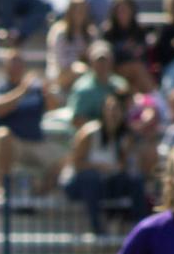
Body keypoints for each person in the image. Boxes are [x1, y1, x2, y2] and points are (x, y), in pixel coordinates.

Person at [62, 94, 145, 236]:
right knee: (91, 178)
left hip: (106, 183)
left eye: (117, 109)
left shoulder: (125, 136)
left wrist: (123, 158)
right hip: (79, 183)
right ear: (103, 111)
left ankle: (140, 228)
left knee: (136, 180)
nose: (113, 113)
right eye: (110, 109)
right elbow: (75, 163)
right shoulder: (89, 132)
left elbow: (123, 167)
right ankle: (97, 228)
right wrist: (99, 167)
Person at [0, 48, 62, 195]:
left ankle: (38, 193)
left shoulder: (36, 89)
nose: (17, 65)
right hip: (10, 145)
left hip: (35, 142)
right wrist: (22, 90)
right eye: (12, 62)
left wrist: (47, 91)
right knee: (3, 135)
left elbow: (54, 107)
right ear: (4, 66)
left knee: (67, 159)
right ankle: (5, 186)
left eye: (19, 62)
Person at [45, 0, 97, 108]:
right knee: (78, 70)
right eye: (76, 10)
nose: (79, 13)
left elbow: (95, 59)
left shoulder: (91, 33)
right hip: (61, 76)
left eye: (82, 10)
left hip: (85, 74)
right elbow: (61, 63)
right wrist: (79, 61)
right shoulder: (59, 32)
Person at [67, 41, 128, 127]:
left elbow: (127, 112)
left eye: (105, 60)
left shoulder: (120, 84)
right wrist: (102, 129)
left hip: (117, 134)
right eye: (99, 61)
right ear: (91, 63)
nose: (102, 64)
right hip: (92, 135)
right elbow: (77, 120)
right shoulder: (82, 89)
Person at [102, 0, 154, 95]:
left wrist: (136, 51)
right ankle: (156, 100)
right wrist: (123, 48)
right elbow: (106, 55)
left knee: (136, 79)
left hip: (136, 73)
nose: (122, 14)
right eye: (119, 11)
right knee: (137, 68)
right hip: (115, 70)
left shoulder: (140, 31)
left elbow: (144, 55)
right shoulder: (108, 32)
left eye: (125, 10)